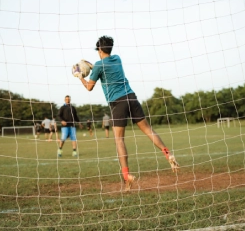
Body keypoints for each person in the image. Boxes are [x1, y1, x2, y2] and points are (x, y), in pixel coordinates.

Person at [75, 35, 179, 191]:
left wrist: (80, 76)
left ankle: (126, 176)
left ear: (99, 49)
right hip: (131, 97)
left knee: (119, 140)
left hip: (118, 103)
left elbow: (89, 87)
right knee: (148, 129)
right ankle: (168, 153)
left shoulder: (98, 66)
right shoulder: (117, 58)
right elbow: (101, 65)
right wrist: (92, 65)